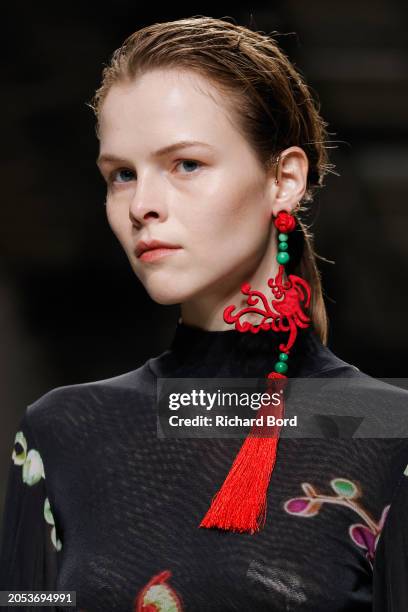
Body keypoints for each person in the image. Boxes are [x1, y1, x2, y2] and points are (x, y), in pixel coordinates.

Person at [0, 15, 407, 612]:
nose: (142, 205)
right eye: (121, 175)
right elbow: (25, 604)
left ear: (283, 179)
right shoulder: (65, 429)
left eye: (186, 164)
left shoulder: (384, 430)